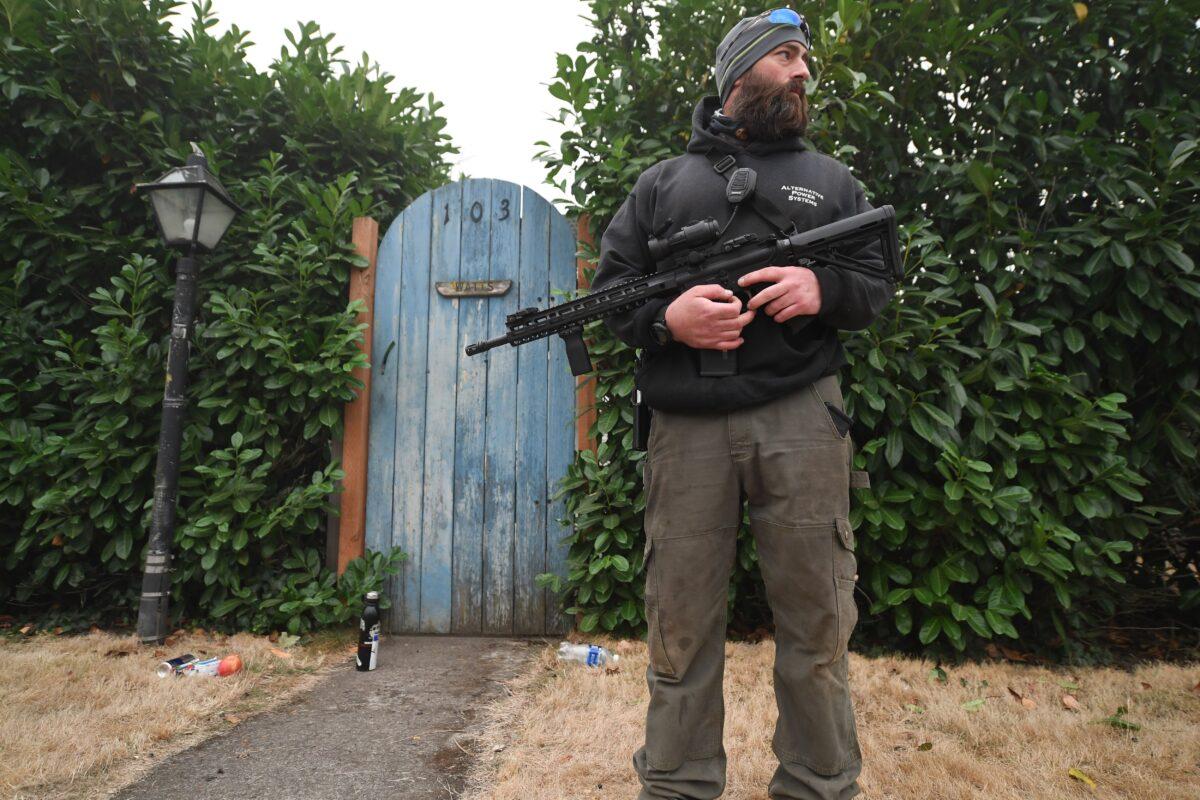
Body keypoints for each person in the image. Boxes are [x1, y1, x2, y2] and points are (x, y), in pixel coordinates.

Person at [590, 7, 895, 800]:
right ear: (739, 74)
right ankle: (680, 785)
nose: (803, 72)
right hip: (685, 428)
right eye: (787, 56)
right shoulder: (660, 185)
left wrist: (820, 285)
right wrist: (668, 319)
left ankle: (819, 785)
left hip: (802, 418)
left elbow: (877, 283)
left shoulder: (833, 183)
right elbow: (610, 296)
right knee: (681, 622)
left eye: (807, 61)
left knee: (817, 620)